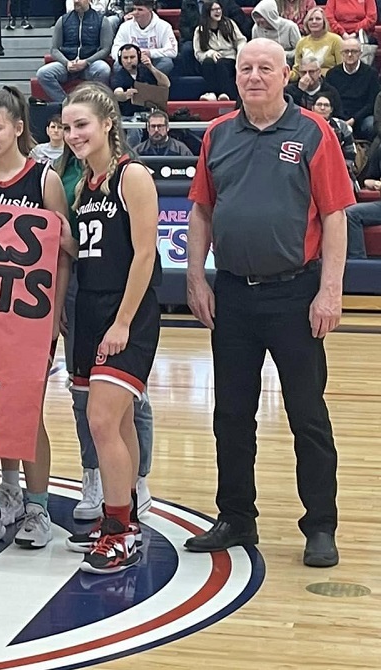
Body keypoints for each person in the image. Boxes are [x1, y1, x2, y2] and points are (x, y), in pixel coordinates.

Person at [185, 39, 353, 568]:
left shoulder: (313, 132)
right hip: (233, 293)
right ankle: (236, 516)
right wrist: (195, 279)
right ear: (234, 77)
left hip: (295, 294)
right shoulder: (217, 135)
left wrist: (330, 289)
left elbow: (334, 216)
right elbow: (201, 213)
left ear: (286, 75)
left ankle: (320, 525)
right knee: (231, 415)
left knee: (308, 415)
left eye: (265, 68)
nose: (253, 76)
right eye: (244, 68)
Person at [0, 86, 74, 550]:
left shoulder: (44, 181)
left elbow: (65, 253)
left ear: (19, 128)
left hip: (29, 321)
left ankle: (37, 507)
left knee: (26, 415)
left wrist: (54, 313)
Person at [61, 82, 161, 574]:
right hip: (91, 309)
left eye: (82, 125)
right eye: (67, 126)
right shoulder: (84, 183)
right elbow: (92, 253)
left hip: (128, 313)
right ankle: (122, 523)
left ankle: (119, 531)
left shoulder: (132, 174)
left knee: (101, 420)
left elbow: (145, 254)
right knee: (114, 424)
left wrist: (123, 322)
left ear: (107, 125)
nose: (74, 134)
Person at [36, 0, 115, 104]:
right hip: (68, 64)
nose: (76, 1)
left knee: (103, 69)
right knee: (43, 73)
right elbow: (54, 49)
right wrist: (66, 63)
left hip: (90, 64)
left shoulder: (102, 20)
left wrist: (87, 62)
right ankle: (66, 103)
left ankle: (94, 104)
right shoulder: (63, 20)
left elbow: (106, 49)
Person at [324, 38, 379, 140]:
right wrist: (341, 120)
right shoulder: (332, 74)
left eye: (354, 51)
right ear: (341, 53)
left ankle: (368, 153)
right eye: (346, 51)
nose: (350, 55)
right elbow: (330, 99)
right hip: (338, 115)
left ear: (360, 53)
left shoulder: (371, 74)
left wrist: (354, 119)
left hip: (362, 116)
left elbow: (372, 103)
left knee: (371, 125)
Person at [194, 0, 246, 101]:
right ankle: (212, 93)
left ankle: (225, 93)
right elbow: (198, 52)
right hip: (212, 58)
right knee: (207, 62)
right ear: (207, 11)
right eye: (213, 9)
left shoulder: (229, 24)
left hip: (229, 57)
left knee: (222, 64)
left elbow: (241, 41)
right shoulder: (200, 30)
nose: (217, 12)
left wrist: (240, 54)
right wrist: (209, 53)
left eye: (219, 9)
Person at [110, 0, 178, 75]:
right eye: (134, 9)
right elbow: (115, 50)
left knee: (166, 63)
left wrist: (150, 53)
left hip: (154, 62)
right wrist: (132, 56)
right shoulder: (125, 26)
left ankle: (147, 82)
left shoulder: (164, 26)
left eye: (140, 9)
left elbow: (173, 50)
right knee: (117, 64)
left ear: (150, 10)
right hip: (132, 61)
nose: (135, 13)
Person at [291, 8, 343, 78]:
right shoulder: (301, 42)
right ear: (306, 22)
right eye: (310, 19)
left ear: (324, 22)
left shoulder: (336, 40)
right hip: (306, 81)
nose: (314, 22)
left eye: (318, 19)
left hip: (329, 81)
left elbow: (342, 68)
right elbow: (297, 71)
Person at [250, 0, 300, 64]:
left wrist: (282, 54)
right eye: (256, 17)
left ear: (270, 15)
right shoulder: (256, 28)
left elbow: (299, 50)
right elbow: (255, 49)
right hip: (264, 59)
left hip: (286, 60)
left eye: (261, 17)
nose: (258, 20)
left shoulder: (290, 27)